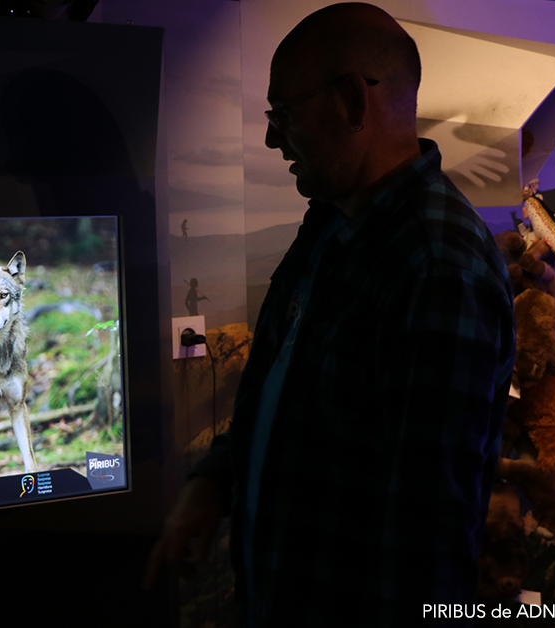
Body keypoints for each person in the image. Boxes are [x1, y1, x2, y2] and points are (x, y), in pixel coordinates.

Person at [146, 4, 515, 626]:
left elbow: (426, 542)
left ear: (349, 102)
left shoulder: (439, 270)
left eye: (282, 113)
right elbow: (279, 398)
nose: (271, 137)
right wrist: (212, 484)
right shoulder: (331, 222)